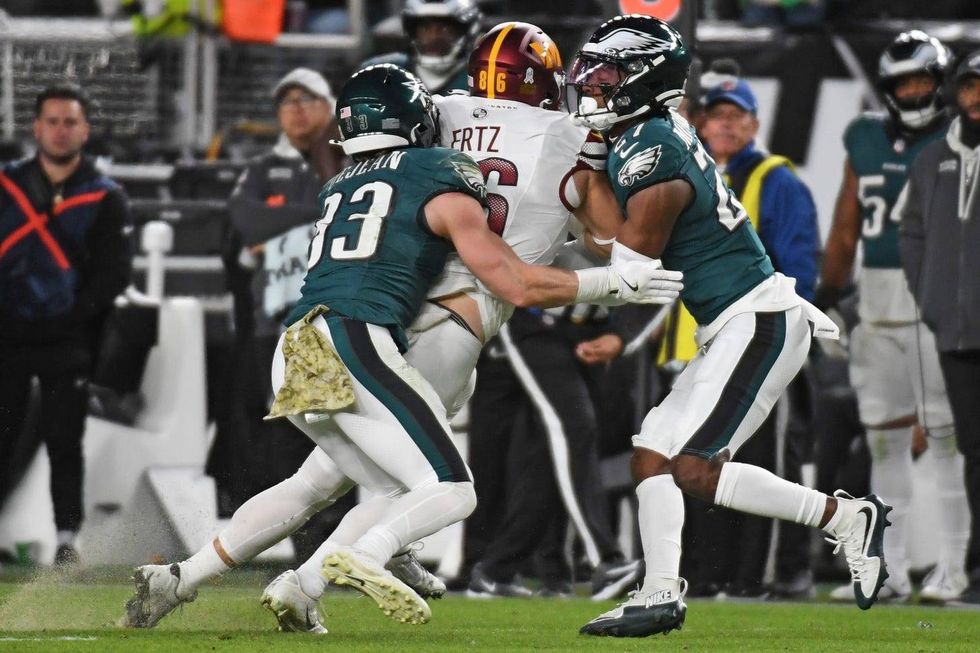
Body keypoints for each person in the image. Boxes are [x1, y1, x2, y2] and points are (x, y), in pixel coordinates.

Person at [120, 62, 683, 631]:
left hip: (294, 343)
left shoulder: (339, 182)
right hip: (358, 339)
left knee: (319, 481)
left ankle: (186, 578)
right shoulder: (437, 169)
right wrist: (609, 283)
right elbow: (512, 279)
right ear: (415, 122)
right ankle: (369, 553)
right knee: (450, 487)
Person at [567, 16, 890, 638]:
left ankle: (846, 518)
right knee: (651, 456)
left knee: (693, 467)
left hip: (759, 320)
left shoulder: (654, 147)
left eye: (609, 75)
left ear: (643, 80)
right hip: (733, 323)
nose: (596, 86)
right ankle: (659, 593)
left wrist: (582, 188)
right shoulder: (649, 134)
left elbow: (628, 266)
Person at [816, 31, 969, 604]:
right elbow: (846, 221)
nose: (911, 92)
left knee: (947, 439)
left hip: (938, 299)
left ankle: (951, 567)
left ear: (942, 83)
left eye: (921, 81)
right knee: (883, 443)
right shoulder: (863, 136)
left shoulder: (962, 139)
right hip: (876, 305)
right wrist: (828, 291)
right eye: (901, 82)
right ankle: (889, 569)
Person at [213, 67, 350, 554]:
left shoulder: (349, 156)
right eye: (286, 101)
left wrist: (278, 231)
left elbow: (343, 208)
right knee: (280, 438)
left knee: (333, 431)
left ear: (328, 105)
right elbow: (245, 221)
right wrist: (316, 218)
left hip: (333, 323)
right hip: (271, 327)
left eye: (306, 99)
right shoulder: (260, 168)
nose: (295, 109)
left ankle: (336, 544)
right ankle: (296, 547)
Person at [0, 84, 132, 565]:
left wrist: (72, 321)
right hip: (7, 335)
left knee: (65, 438)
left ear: (86, 129)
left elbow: (113, 273)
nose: (60, 130)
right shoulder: (6, 186)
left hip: (68, 339)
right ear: (36, 128)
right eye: (52, 121)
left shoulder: (104, 196)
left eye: (70, 122)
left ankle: (66, 535)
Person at [897, 50, 980, 604]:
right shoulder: (931, 160)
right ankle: (975, 568)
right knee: (974, 451)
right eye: (970, 86)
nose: (976, 98)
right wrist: (930, 298)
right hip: (954, 332)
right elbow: (911, 233)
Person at [360, 0, 481, 95]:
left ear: (467, 31)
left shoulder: (482, 77)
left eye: (446, 29)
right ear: (411, 31)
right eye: (425, 28)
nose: (434, 37)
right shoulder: (379, 72)